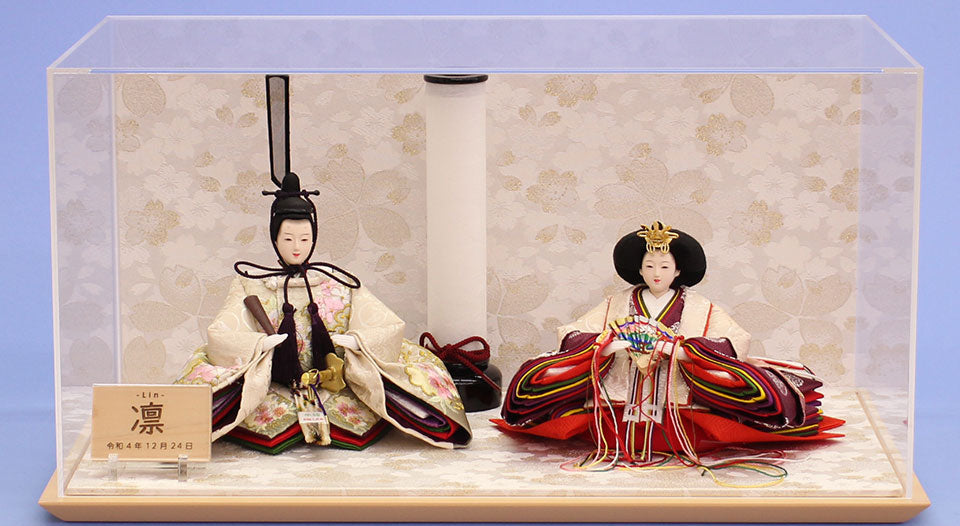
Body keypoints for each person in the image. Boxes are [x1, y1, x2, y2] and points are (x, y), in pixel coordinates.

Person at [174, 74, 470, 453]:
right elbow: (222, 334)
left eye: (304, 239)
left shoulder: (337, 283)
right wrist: (259, 345)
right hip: (270, 388)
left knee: (410, 374)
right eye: (288, 239)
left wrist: (357, 341)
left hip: (338, 386)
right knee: (209, 392)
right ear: (274, 239)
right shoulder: (251, 285)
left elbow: (386, 323)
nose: (297, 247)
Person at [494, 221, 842, 464]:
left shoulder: (700, 307)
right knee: (538, 376)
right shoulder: (616, 303)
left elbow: (736, 339)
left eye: (664, 266)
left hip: (681, 406)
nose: (656, 273)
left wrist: (682, 350)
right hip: (618, 405)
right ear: (639, 270)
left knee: (750, 387)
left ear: (678, 271)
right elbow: (573, 332)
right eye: (649, 266)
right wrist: (609, 345)